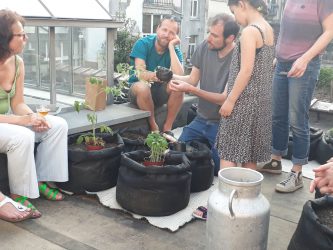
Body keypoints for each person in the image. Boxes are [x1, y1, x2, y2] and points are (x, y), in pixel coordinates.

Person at [0, 9, 69, 218]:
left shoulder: (17, 62)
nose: (26, 39)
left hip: (6, 121)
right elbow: (18, 117)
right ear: (4, 38)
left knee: (56, 125)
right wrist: (23, 120)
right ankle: (20, 193)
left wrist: (34, 118)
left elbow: (18, 102)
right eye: (20, 35)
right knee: (22, 136)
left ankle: (41, 180)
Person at [260, 0, 333, 193]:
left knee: (297, 119)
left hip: (305, 66)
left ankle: (297, 172)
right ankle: (276, 161)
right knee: (277, 116)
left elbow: (329, 31)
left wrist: (304, 59)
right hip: (283, 63)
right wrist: (278, 55)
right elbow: (286, 30)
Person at [169, 13, 240, 174]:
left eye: (214, 35)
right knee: (175, 154)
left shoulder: (239, 58)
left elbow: (224, 99)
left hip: (223, 124)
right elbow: (192, 79)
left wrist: (191, 90)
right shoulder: (204, 46)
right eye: (209, 32)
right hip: (200, 119)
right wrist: (170, 76)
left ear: (230, 38)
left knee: (217, 171)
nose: (209, 38)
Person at [215, 0, 275, 170]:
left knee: (228, 150)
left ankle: (228, 195)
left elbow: (246, 70)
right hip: (260, 103)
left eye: (234, 12)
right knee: (250, 153)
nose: (235, 18)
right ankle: (248, 195)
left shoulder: (250, 31)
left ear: (242, 4)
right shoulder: (267, 29)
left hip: (243, 102)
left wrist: (230, 100)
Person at [128, 15, 184, 135]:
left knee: (179, 87)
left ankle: (167, 127)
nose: (167, 34)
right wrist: (156, 75)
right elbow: (140, 73)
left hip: (159, 91)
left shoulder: (174, 49)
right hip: (138, 91)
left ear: (175, 37)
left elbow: (180, 75)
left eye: (172, 33)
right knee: (143, 87)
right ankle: (153, 126)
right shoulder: (143, 43)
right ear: (157, 29)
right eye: (164, 30)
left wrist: (171, 48)